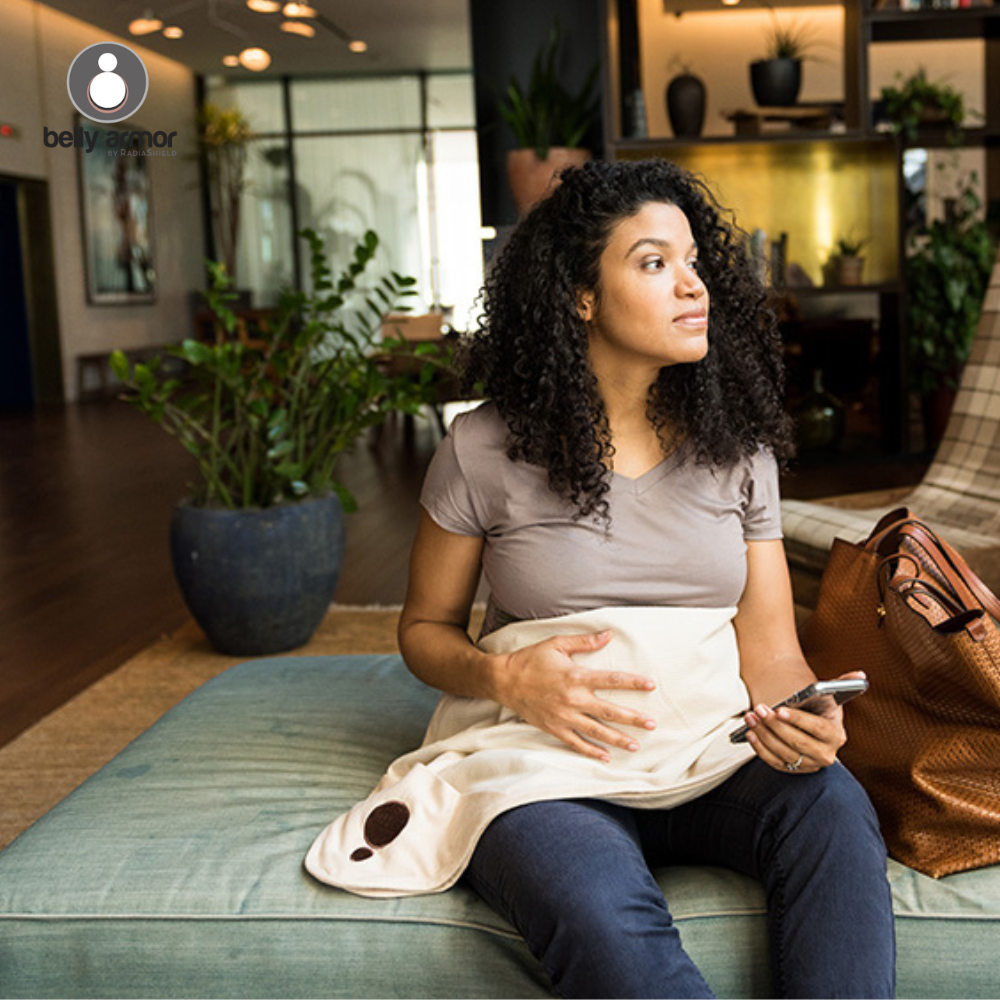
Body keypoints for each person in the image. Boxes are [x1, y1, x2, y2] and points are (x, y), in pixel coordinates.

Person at [396, 158, 895, 999]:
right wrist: (504, 678)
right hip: (546, 767)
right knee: (598, 911)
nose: (692, 286)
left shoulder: (738, 451)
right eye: (654, 263)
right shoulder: (482, 448)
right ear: (582, 296)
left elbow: (770, 651)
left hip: (713, 751)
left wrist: (810, 721)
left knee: (836, 812)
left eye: (693, 262)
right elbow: (423, 630)